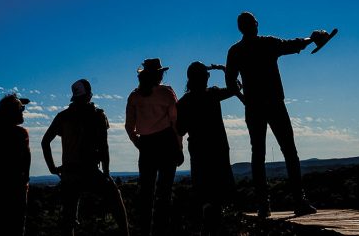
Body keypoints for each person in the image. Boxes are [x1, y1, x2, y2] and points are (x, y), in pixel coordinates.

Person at [225, 11, 330, 217]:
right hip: (274, 104)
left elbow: (230, 82)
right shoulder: (267, 43)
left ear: (240, 28)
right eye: (255, 22)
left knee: (258, 155)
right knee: (290, 152)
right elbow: (293, 45)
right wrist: (313, 37)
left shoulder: (235, 51)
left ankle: (264, 206)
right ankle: (299, 202)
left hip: (253, 107)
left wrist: (244, 99)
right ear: (255, 24)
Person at [42, 78, 130, 236]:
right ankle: (125, 233)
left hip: (69, 172)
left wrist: (53, 168)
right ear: (89, 95)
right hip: (89, 171)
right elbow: (104, 147)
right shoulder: (97, 115)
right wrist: (107, 173)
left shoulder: (63, 116)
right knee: (115, 197)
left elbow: (45, 142)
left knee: (68, 217)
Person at [177, 62, 240, 235]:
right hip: (218, 148)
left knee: (203, 191)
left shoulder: (184, 102)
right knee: (218, 192)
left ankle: (205, 226)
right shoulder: (212, 94)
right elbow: (236, 87)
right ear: (205, 77)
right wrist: (226, 70)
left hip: (198, 150)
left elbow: (180, 129)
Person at [124, 58, 182, 236]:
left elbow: (129, 126)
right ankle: (162, 230)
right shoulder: (167, 92)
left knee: (146, 193)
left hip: (147, 144)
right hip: (167, 142)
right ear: (160, 73)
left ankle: (145, 231)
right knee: (164, 193)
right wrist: (179, 148)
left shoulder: (134, 96)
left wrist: (138, 143)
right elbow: (175, 122)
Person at [0, 92, 32, 236]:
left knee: (1, 227)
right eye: (21, 109)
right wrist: (26, 180)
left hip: (0, 187)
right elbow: (26, 161)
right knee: (16, 227)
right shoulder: (21, 133)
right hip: (17, 188)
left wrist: (17, 102)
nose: (23, 112)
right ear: (13, 113)